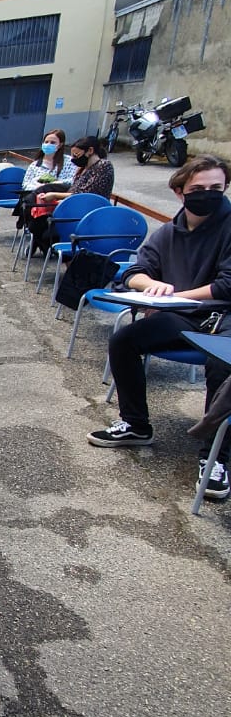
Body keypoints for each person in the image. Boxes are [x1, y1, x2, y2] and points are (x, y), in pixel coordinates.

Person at [87, 155, 231, 500]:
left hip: (223, 316)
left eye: (217, 188)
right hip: (180, 315)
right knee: (124, 340)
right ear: (180, 192)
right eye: (199, 189)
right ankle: (136, 425)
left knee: (221, 365)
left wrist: (179, 292)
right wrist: (149, 283)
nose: (208, 194)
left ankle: (216, 457)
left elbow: (227, 286)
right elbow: (131, 272)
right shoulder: (169, 231)